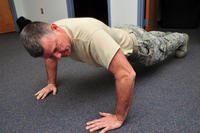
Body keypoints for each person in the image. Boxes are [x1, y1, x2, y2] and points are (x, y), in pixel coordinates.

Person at [20, 17, 189, 133]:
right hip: (119, 33)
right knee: (151, 37)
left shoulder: (91, 38)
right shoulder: (52, 33)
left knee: (163, 47)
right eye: (51, 54)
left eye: (57, 48)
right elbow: (50, 58)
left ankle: (182, 37)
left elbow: (127, 75)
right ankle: (155, 35)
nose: (58, 56)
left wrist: (118, 117)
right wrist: (51, 82)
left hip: (138, 47)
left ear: (55, 28)